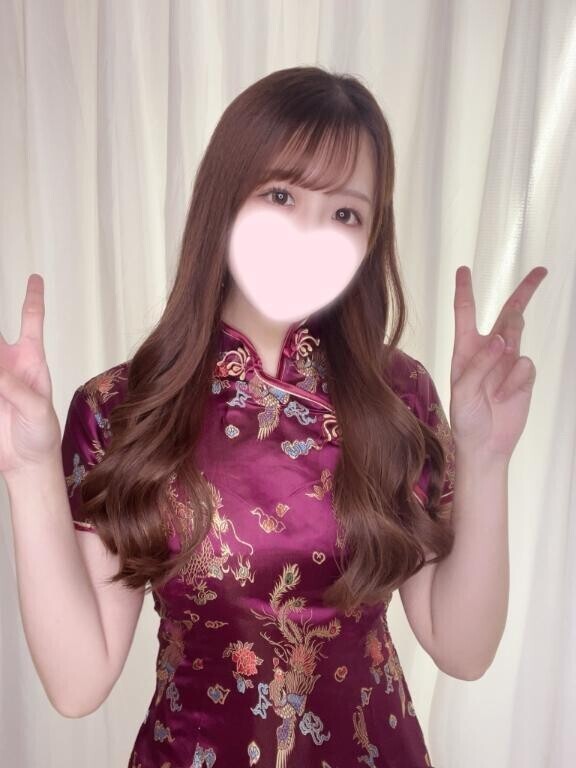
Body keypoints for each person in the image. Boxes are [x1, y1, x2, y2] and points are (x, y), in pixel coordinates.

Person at [1, 65, 546, 768]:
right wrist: (26, 468)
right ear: (225, 200)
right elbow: (78, 684)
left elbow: (463, 650)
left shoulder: (397, 393)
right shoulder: (121, 407)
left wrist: (487, 458)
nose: (308, 234)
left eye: (345, 213)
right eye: (282, 195)